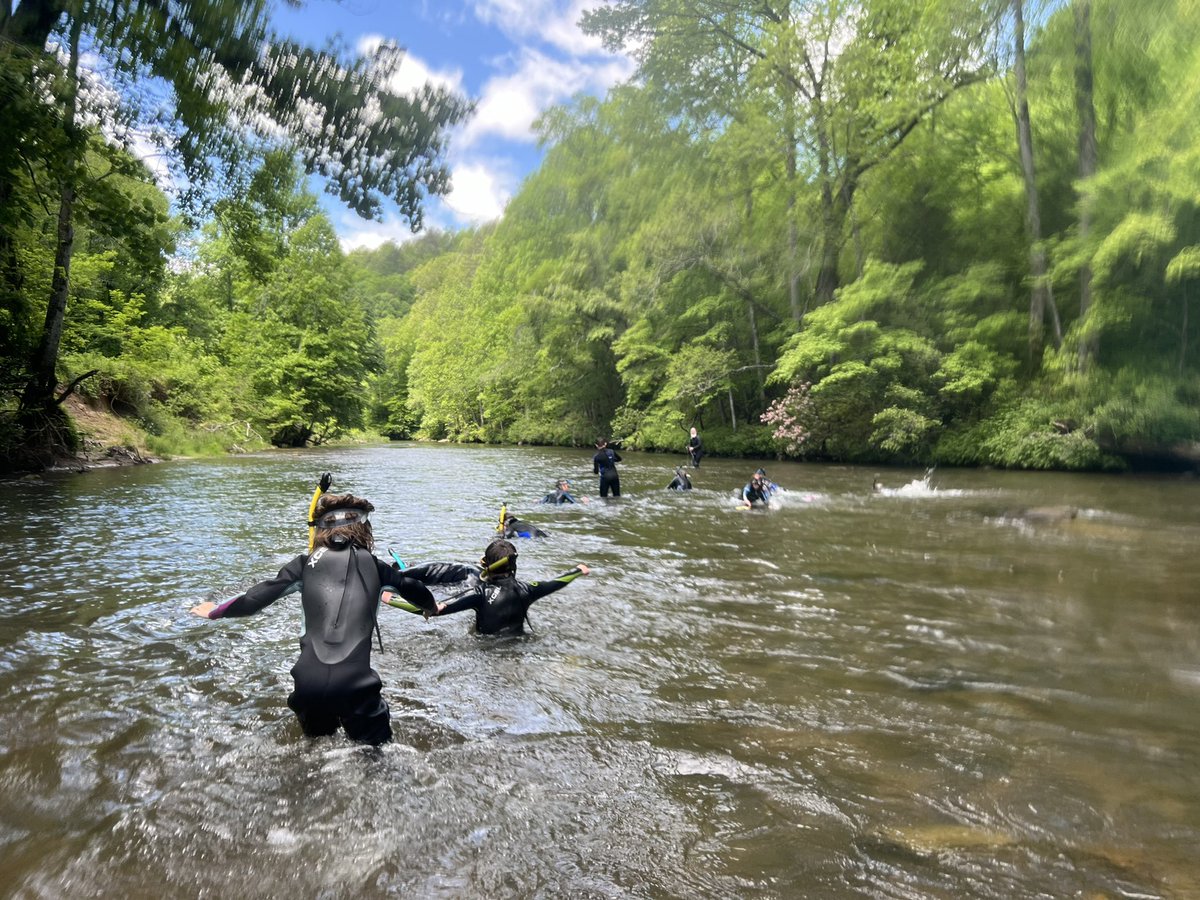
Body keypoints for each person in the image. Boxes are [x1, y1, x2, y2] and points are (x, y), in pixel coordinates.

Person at [190, 492, 439, 746]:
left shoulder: (302, 565)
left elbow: (256, 598)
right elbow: (413, 588)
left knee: (316, 751)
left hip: (307, 684)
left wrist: (215, 611)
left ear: (321, 530)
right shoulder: (377, 567)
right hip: (357, 686)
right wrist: (432, 607)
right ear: (365, 529)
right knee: (374, 759)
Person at [435, 538, 590, 635]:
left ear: (487, 565)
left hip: (487, 653)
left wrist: (432, 606)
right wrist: (577, 571)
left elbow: (438, 610)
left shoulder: (479, 594)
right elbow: (556, 583)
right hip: (520, 646)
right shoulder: (527, 589)